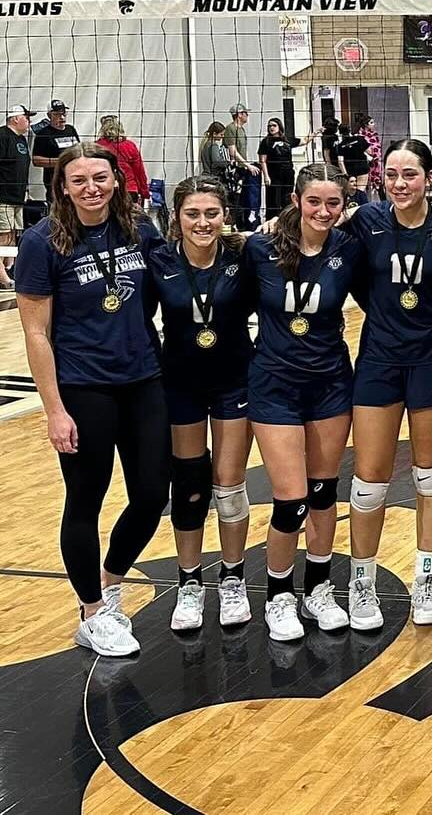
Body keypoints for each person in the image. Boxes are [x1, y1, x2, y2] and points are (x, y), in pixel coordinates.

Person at [16, 143, 167, 656]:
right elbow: (36, 334)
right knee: (86, 500)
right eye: (78, 180)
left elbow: (155, 299)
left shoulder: (140, 229)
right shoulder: (43, 243)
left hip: (144, 378)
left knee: (151, 496)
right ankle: (91, 610)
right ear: (62, 187)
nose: (91, 188)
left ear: (116, 180)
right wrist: (54, 409)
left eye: (99, 177)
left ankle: (110, 581)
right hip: (84, 387)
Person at [243, 163, 364, 641]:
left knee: (321, 492)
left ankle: (318, 589)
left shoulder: (348, 248)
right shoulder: (259, 248)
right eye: (314, 201)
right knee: (290, 500)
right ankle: (278, 597)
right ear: (295, 200)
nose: (324, 211)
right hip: (274, 384)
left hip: (331, 383)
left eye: (334, 203)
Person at [343, 140, 432, 632]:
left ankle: (426, 578)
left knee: (430, 475)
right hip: (379, 361)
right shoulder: (366, 222)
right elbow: (311, 235)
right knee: (369, 481)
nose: (400, 184)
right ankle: (361, 582)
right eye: (391, 174)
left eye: (410, 174)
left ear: (429, 177)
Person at [148, 177, 254, 631]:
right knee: (190, 485)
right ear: (177, 217)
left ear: (224, 214)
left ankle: (233, 578)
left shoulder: (243, 258)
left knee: (229, 486)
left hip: (234, 382)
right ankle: (189, 582)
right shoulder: (159, 260)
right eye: (192, 214)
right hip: (181, 385)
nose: (203, 222)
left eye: (211, 213)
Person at [0, 104, 33, 290]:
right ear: (15, 118)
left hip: (17, 197)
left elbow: (22, 168)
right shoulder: (2, 136)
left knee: (13, 235)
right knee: (3, 236)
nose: (29, 121)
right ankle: (4, 277)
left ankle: (9, 269)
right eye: (26, 117)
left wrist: (25, 190)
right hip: (3, 197)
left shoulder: (21, 140)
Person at [96, 116, 148, 209]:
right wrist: (144, 193)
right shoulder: (129, 145)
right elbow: (139, 172)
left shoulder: (97, 146)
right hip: (130, 190)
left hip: (108, 190)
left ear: (102, 130)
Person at [30, 99, 80, 196]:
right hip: (55, 183)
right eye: (57, 114)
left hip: (75, 180)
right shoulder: (43, 134)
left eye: (64, 114)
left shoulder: (71, 129)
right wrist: (62, 161)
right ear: (49, 115)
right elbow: (36, 160)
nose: (62, 117)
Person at [257, 118, 303, 221]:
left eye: (274, 125)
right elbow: (262, 160)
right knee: (273, 200)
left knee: (287, 198)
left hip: (287, 174)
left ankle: (287, 220)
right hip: (273, 175)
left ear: (279, 127)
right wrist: (266, 176)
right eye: (269, 126)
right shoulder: (266, 142)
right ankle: (272, 221)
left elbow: (304, 141)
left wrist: (316, 133)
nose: (271, 128)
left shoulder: (287, 140)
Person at [224, 104, 260, 229]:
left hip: (243, 169)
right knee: (236, 200)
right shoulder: (231, 128)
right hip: (236, 170)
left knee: (245, 200)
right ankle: (235, 225)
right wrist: (247, 165)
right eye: (245, 113)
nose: (247, 115)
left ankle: (245, 224)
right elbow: (232, 151)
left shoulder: (241, 129)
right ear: (239, 114)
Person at [335, 123, 372, 191]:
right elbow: (370, 152)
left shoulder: (340, 145)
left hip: (350, 170)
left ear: (340, 133)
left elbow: (340, 162)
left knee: (352, 192)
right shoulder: (360, 139)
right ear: (350, 130)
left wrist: (345, 174)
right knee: (360, 191)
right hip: (362, 167)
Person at [355, 113, 383, 197]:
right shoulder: (360, 136)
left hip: (377, 163)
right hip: (367, 163)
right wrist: (369, 157)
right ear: (365, 125)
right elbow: (361, 150)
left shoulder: (374, 135)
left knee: (378, 186)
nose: (374, 124)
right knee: (367, 186)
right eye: (371, 123)